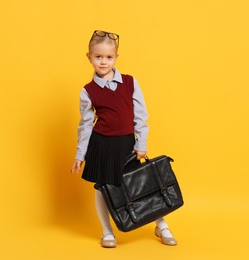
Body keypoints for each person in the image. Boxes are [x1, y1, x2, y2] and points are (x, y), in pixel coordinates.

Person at [70, 30, 177, 248]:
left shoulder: (130, 82)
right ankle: (107, 231)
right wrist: (80, 154)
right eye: (98, 56)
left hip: (126, 144)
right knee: (103, 188)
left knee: (141, 183)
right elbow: (85, 125)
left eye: (108, 57)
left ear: (116, 57)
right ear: (88, 57)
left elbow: (141, 116)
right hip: (101, 145)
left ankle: (161, 224)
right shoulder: (88, 91)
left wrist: (141, 143)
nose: (103, 62)